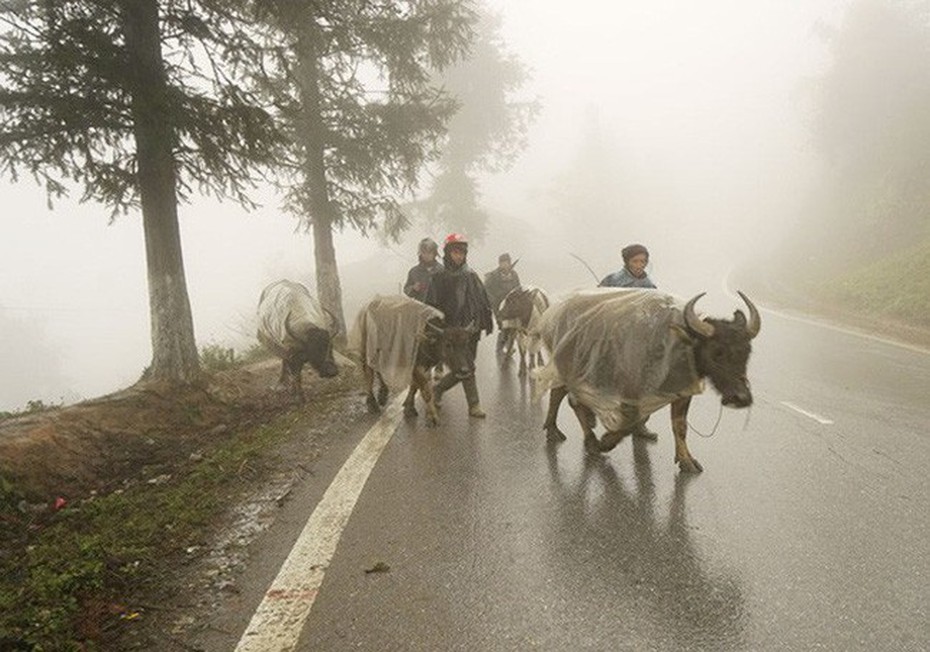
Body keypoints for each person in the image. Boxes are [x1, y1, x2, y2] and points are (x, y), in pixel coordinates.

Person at [425, 233, 494, 418]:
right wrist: (437, 329)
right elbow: (431, 306)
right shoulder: (438, 277)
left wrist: (478, 324)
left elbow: (482, 303)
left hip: (468, 331)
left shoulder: (471, 276)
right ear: (448, 253)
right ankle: (474, 405)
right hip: (448, 333)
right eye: (455, 252)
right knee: (465, 367)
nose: (459, 256)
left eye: (462, 252)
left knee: (466, 367)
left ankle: (440, 390)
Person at [597, 242, 659, 439]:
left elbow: (655, 308)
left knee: (645, 384)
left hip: (641, 337)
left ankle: (640, 425)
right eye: (635, 261)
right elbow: (596, 302)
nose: (639, 265)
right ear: (627, 261)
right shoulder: (613, 280)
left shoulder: (650, 285)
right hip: (616, 336)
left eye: (643, 261)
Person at [484, 252, 522, 354]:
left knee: (513, 326)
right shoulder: (493, 275)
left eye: (507, 262)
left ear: (510, 263)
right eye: (503, 262)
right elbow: (486, 289)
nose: (505, 265)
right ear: (499, 264)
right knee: (503, 325)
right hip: (499, 305)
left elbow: (518, 288)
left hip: (512, 305)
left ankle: (509, 345)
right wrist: (494, 300)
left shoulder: (514, 274)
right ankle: (501, 346)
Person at [403, 237, 441, 302]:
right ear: (420, 253)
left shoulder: (442, 270)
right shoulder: (414, 271)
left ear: (434, 253)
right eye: (424, 252)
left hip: (438, 309)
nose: (426, 255)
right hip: (420, 308)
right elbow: (406, 289)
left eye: (429, 252)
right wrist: (413, 288)